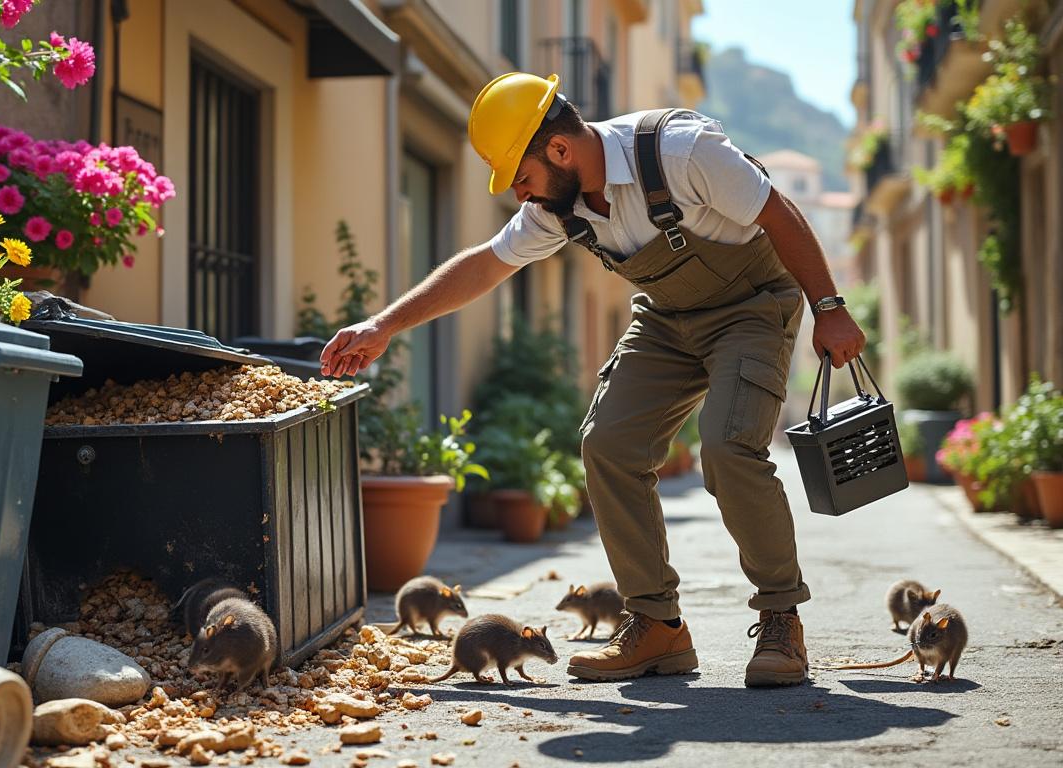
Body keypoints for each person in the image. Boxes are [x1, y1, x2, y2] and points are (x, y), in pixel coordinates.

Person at [319, 73, 865, 687]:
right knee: (607, 445)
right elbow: (483, 266)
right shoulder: (560, 206)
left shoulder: (681, 152)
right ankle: (656, 626)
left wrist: (830, 307)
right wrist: (384, 324)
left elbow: (779, 212)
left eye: (522, 178)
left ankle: (780, 619)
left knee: (728, 446)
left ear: (559, 151)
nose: (522, 195)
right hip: (666, 319)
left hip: (752, 309)